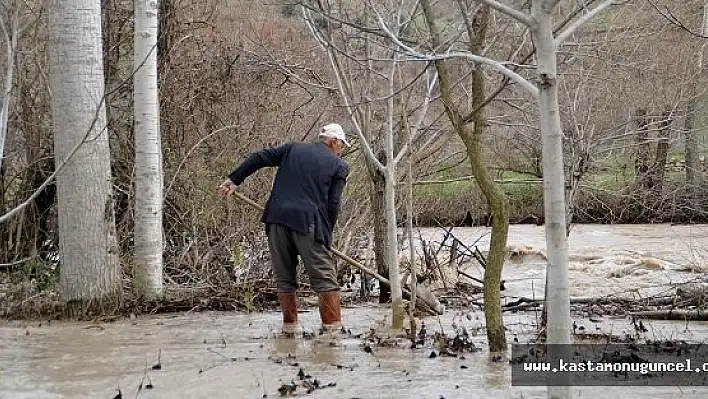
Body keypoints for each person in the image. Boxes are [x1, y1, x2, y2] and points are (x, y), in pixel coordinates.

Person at [219, 123, 351, 336]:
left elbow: (259, 158)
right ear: (334, 141)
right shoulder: (339, 166)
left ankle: (289, 330)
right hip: (309, 224)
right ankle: (332, 334)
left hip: (276, 219)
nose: (340, 150)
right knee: (326, 281)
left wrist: (234, 180)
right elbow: (333, 205)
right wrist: (326, 235)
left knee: (285, 281)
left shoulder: (292, 149)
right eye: (341, 145)